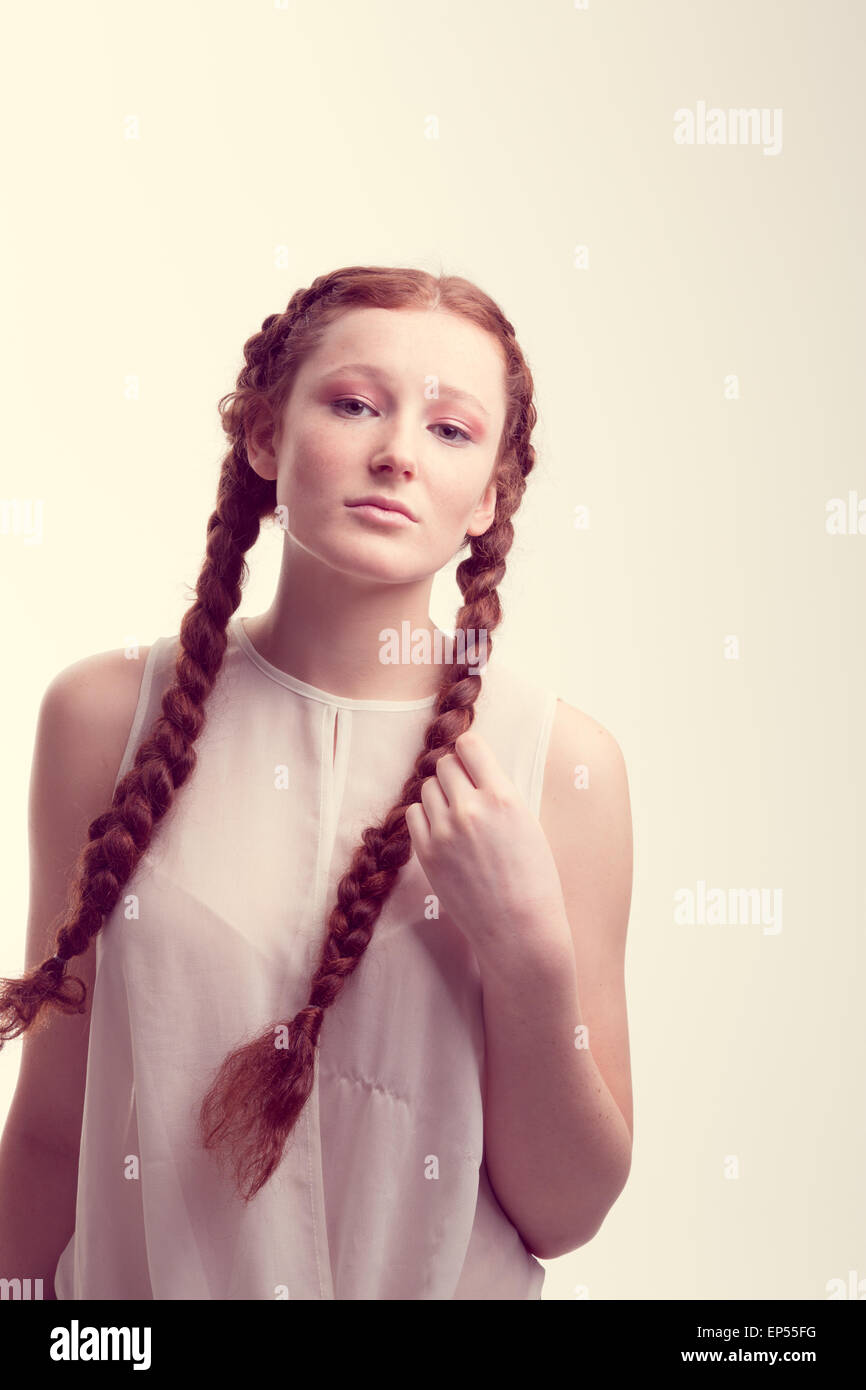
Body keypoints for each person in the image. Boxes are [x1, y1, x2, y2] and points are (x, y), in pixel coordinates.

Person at [0, 265, 634, 1300]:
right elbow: (47, 1134)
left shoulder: (559, 767)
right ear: (262, 436)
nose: (394, 452)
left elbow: (564, 1213)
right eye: (353, 404)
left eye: (450, 429)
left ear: (490, 499)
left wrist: (527, 956)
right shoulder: (103, 718)